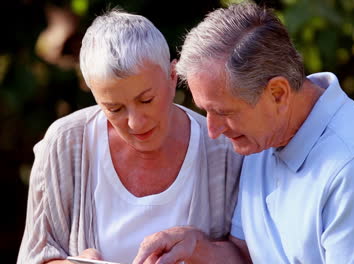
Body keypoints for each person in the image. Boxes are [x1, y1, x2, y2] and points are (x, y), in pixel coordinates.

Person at [132, 2, 354, 264]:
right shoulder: (264, 136)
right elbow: (247, 256)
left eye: (224, 112)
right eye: (206, 111)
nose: (213, 130)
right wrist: (195, 247)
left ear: (277, 93)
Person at [17, 9, 243, 264]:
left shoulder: (223, 149)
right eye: (114, 108)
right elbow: (33, 257)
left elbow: (251, 256)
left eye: (146, 100)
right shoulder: (64, 143)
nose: (135, 122)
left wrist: (199, 249)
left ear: (172, 77)